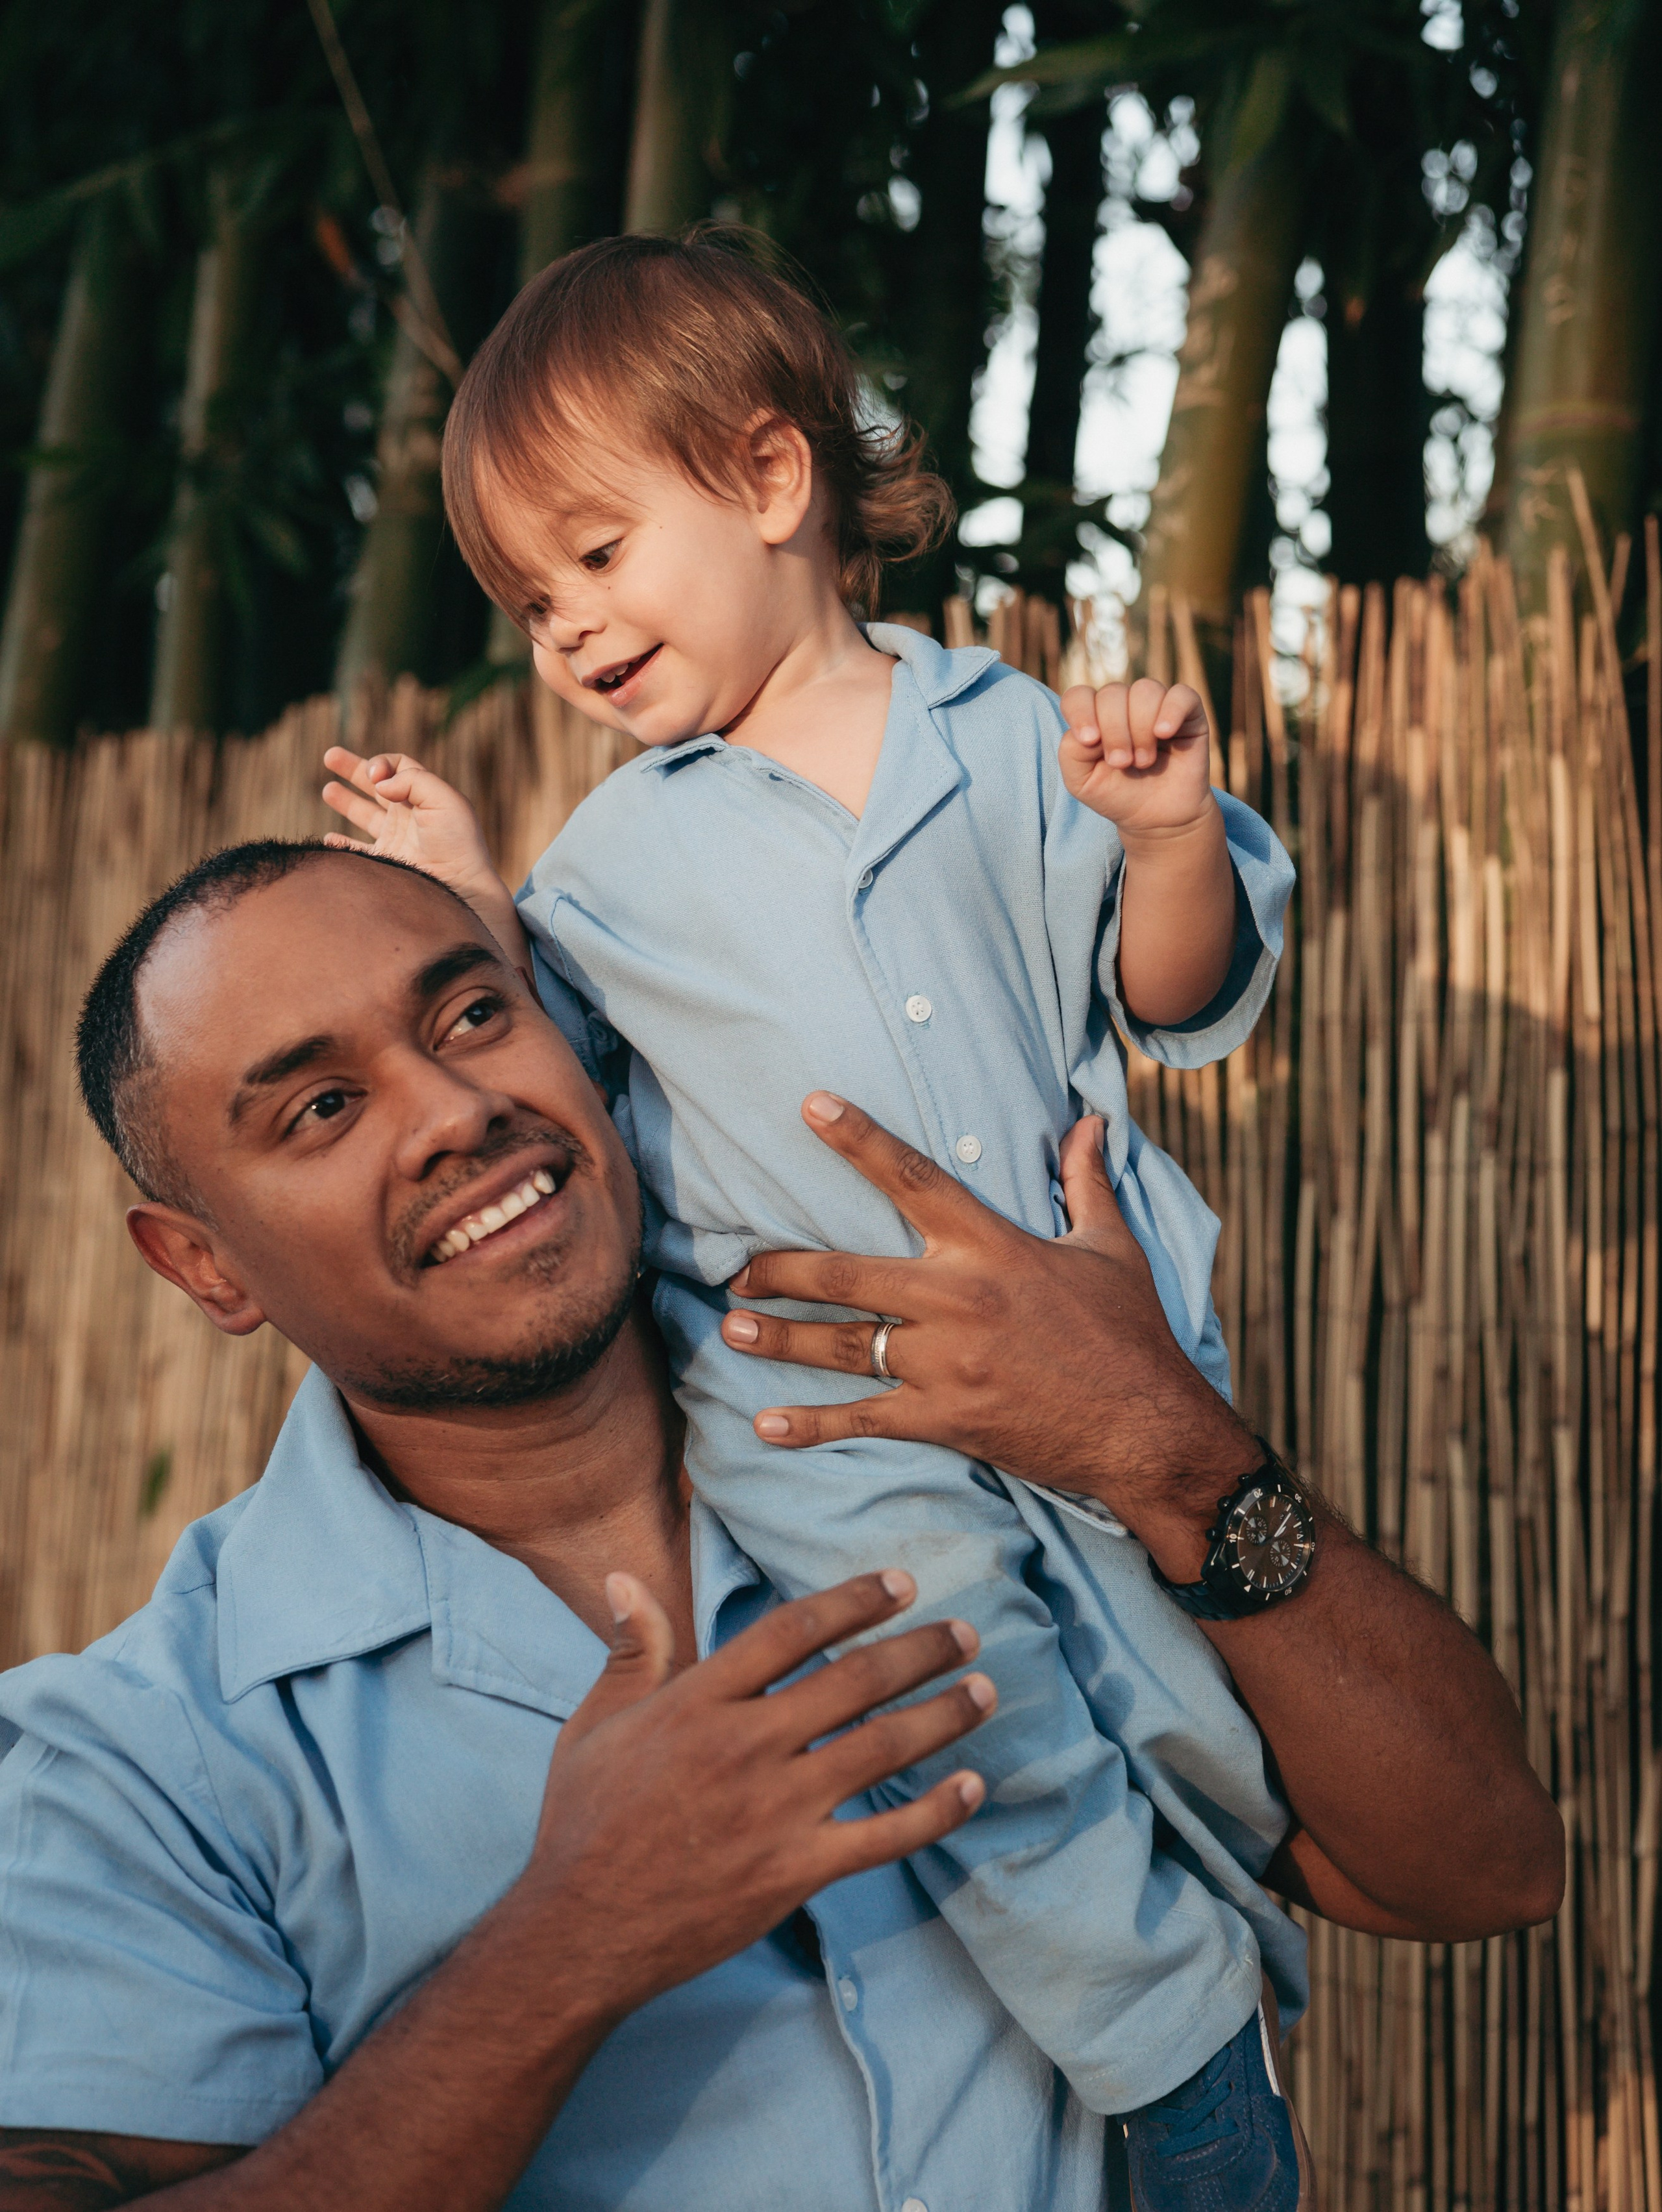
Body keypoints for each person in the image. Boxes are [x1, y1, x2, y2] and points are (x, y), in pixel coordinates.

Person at [0, 844, 1560, 2212]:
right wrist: (571, 1943)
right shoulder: (135, 1769)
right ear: (204, 1264)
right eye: (324, 1106)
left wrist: (1164, 1450)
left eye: (473, 1013)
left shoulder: (962, 1456)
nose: (458, 1111)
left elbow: (1477, 1872)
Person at [316, 225, 1305, 2192]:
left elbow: (1174, 997)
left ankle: (1229, 1953)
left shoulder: (1007, 739)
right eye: (527, 598)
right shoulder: (607, 867)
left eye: (597, 555)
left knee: (1189, 1693)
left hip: (1095, 1342)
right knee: (956, 1702)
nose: (566, 625)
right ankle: (1182, 2072)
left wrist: (1173, 836)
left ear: (774, 482)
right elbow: (558, 1082)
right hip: (824, 1403)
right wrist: (469, 902)